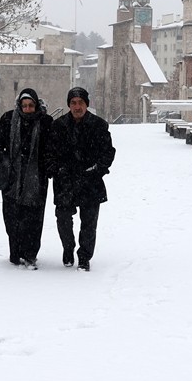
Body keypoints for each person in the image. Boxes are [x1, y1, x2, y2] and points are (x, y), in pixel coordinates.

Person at [51, 86, 116, 271]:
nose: (77, 107)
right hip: (65, 181)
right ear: (68, 105)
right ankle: (68, 248)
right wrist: (58, 170)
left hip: (90, 181)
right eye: (73, 103)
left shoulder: (99, 126)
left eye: (80, 103)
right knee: (63, 219)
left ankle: (84, 256)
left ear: (86, 104)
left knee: (89, 223)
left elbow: (108, 153)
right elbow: (50, 153)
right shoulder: (59, 126)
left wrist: (97, 170)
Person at [0, 88, 54, 269]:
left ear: (36, 105)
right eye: (24, 105)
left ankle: (30, 254)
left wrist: (46, 166)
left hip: (36, 180)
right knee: (12, 218)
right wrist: (4, 162)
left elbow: (51, 148)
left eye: (31, 106)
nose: (27, 109)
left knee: (33, 219)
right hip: (12, 179)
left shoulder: (45, 122)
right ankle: (15, 252)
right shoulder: (8, 119)